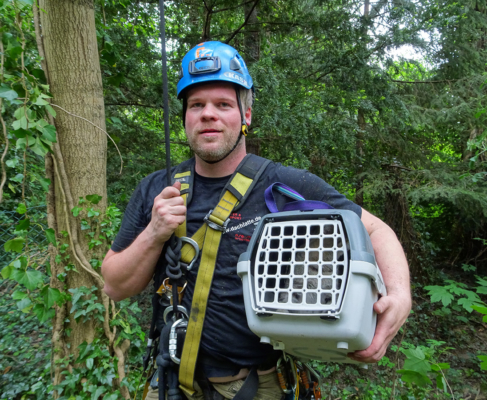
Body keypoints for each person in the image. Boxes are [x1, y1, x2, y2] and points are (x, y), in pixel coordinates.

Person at [102, 41, 412, 400]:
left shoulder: (282, 184)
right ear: (184, 117)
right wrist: (155, 233)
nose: (208, 115)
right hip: (169, 380)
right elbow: (114, 285)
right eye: (196, 105)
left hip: (255, 385)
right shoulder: (157, 188)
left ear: (246, 116)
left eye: (223, 105)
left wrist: (400, 296)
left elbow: (376, 229)